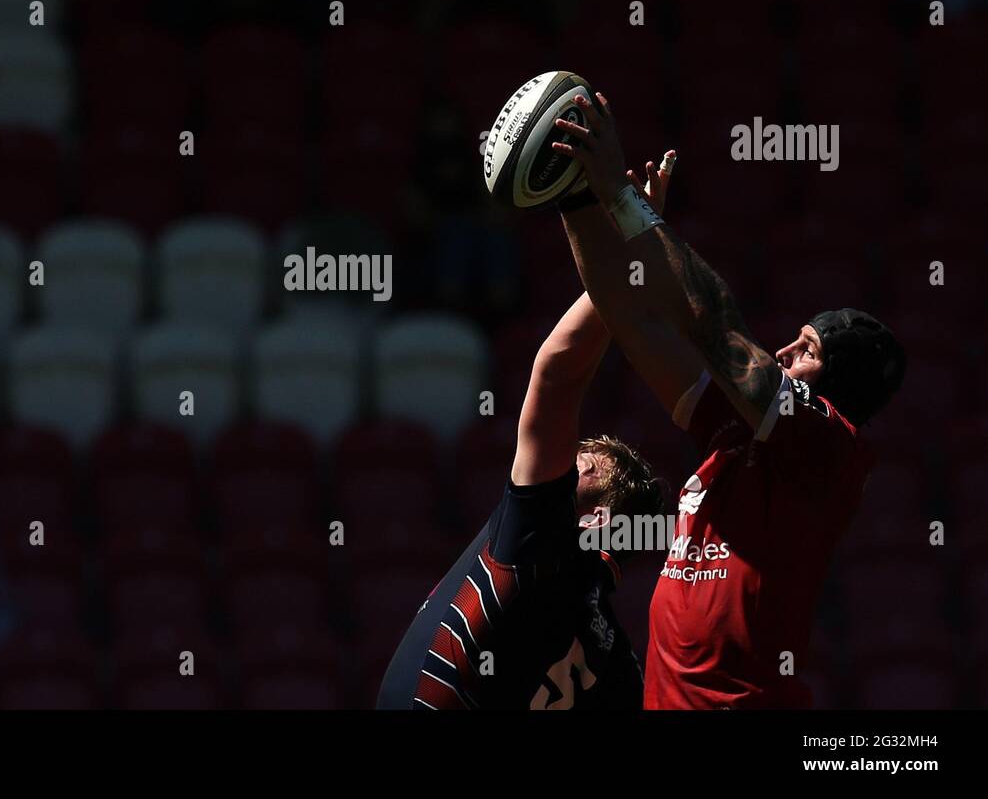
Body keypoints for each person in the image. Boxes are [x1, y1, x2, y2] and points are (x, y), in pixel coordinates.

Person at [550, 92, 905, 708]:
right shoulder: (733, 439)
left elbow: (717, 331)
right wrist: (576, 196)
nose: (786, 351)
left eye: (809, 348)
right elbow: (634, 323)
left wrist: (623, 199)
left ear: (838, 390)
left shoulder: (827, 453)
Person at [376, 180, 671, 711]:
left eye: (580, 468)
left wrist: (630, 242)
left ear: (595, 519)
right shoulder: (619, 667)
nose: (560, 468)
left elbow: (557, 371)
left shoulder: (541, 540)